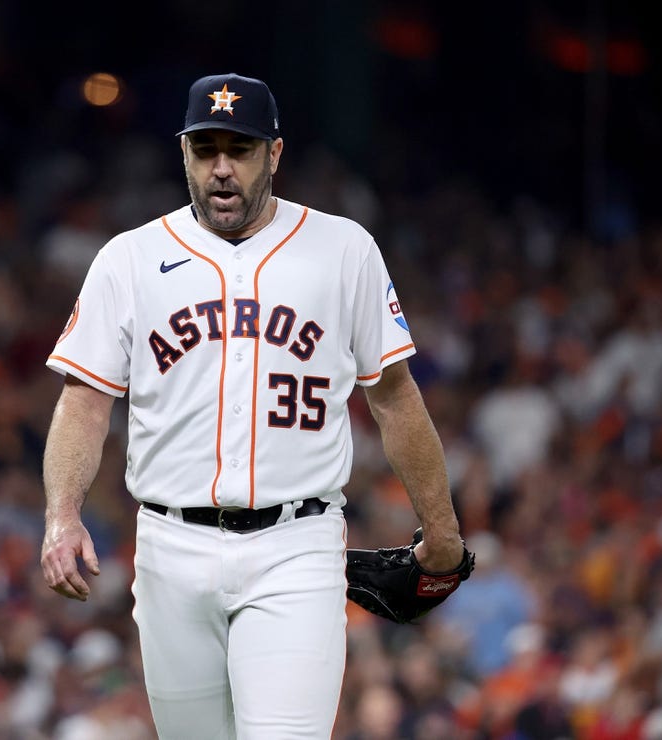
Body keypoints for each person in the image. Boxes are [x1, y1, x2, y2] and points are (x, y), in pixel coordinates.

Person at [40, 72, 464, 739]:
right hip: (169, 548)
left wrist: (441, 532)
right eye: (204, 149)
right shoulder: (130, 259)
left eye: (239, 149)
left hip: (295, 545)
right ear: (183, 155)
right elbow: (84, 401)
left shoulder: (344, 248)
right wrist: (62, 515)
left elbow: (395, 400)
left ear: (274, 154)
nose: (221, 168)